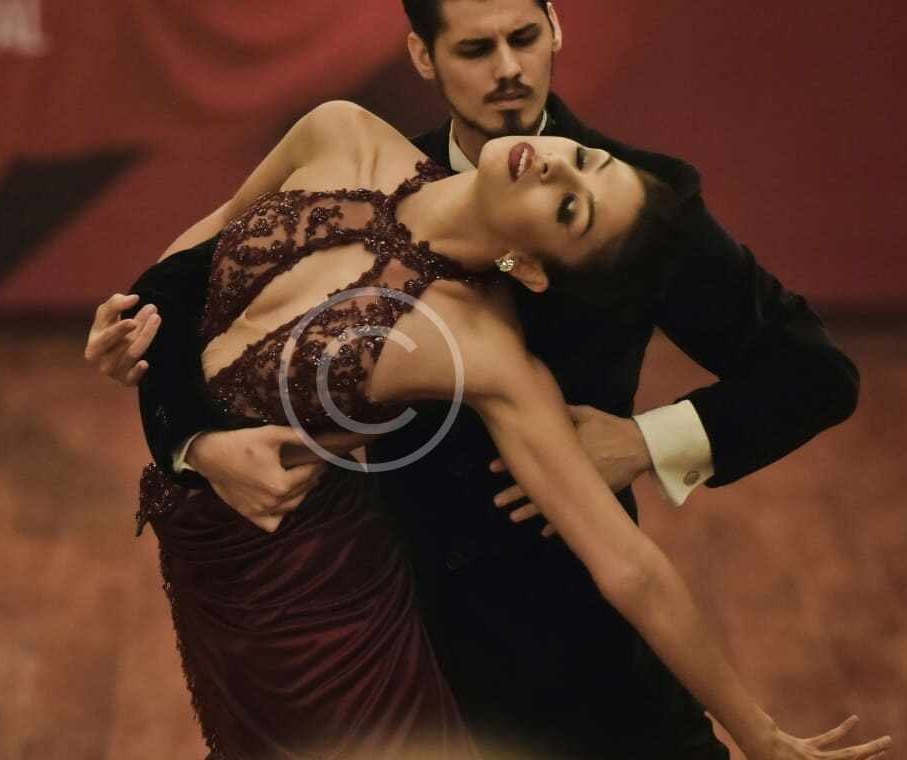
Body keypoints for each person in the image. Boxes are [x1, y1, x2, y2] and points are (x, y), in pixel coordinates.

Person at [90, 2, 863, 756]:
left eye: (523, 37)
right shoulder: (349, 136)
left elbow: (799, 386)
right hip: (326, 581)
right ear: (424, 56)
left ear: (555, 27)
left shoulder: (636, 220)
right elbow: (182, 280)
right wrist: (177, 418)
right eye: (474, 48)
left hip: (541, 627)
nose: (507, 69)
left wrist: (642, 443)